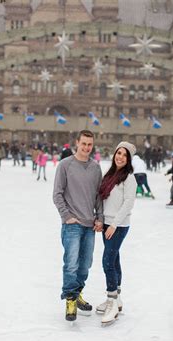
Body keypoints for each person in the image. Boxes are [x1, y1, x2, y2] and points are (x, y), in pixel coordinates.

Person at [53, 130, 104, 322]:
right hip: (72, 224)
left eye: (89, 144)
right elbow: (57, 194)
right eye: (83, 144)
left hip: (90, 225)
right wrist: (66, 216)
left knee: (85, 265)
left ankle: (76, 292)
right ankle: (70, 300)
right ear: (77, 143)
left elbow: (99, 196)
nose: (86, 148)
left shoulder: (95, 168)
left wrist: (99, 217)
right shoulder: (65, 165)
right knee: (71, 264)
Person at [95, 142, 137, 325]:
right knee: (114, 259)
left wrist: (113, 224)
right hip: (106, 223)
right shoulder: (109, 174)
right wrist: (101, 220)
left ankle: (112, 301)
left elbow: (128, 203)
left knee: (107, 262)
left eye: (124, 155)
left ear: (128, 160)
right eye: (118, 153)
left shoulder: (129, 178)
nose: (120, 157)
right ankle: (116, 299)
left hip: (118, 226)